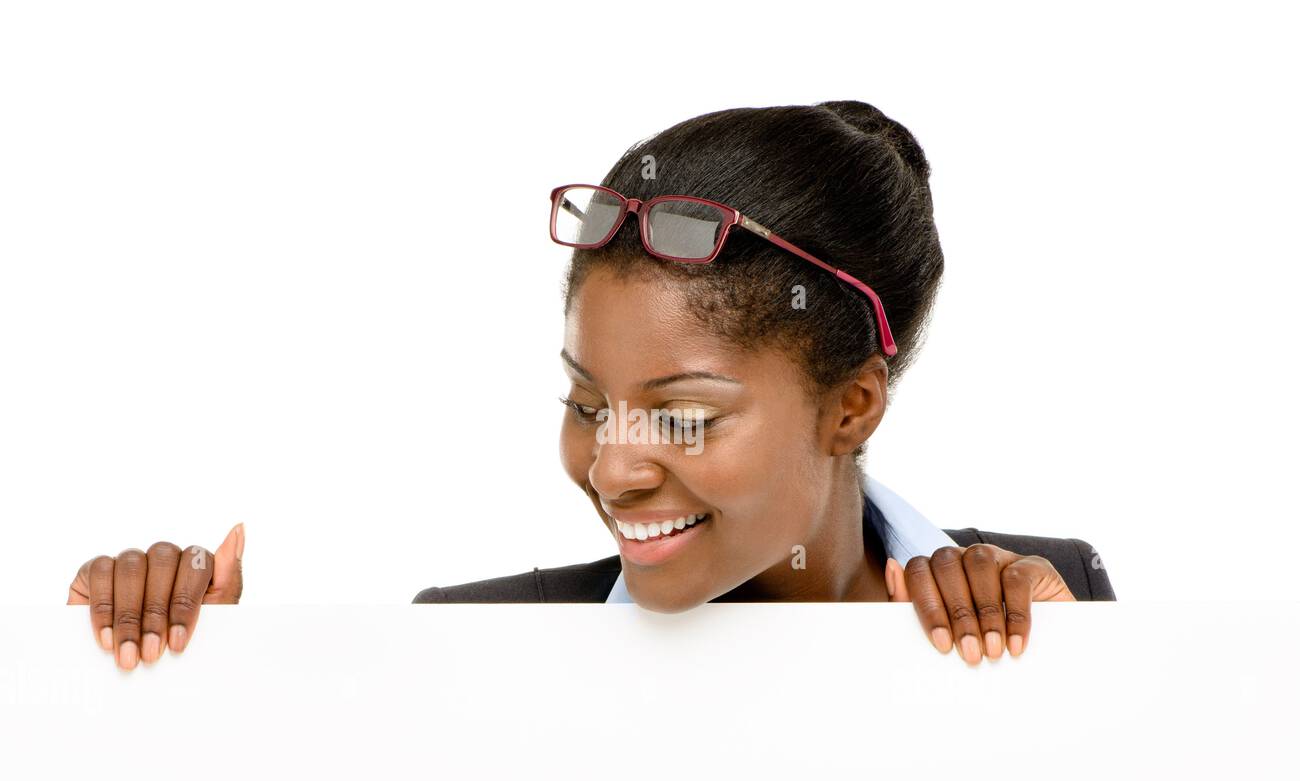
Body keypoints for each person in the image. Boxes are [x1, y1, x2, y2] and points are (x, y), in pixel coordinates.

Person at [66, 101, 1115, 672]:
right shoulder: (482, 649)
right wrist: (188, 703)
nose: (612, 464)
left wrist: (1083, 705)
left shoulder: (1047, 595)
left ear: (851, 406)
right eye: (585, 403)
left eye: (681, 413)